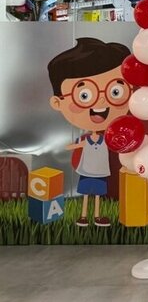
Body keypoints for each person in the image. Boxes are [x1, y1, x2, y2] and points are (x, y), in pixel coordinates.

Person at [47, 38, 132, 227]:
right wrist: (71, 146)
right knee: (86, 193)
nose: (101, 102)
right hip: (87, 171)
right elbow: (74, 146)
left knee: (98, 194)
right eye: (84, 96)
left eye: (115, 91)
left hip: (100, 171)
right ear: (57, 102)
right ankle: (84, 216)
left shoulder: (107, 138)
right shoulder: (86, 138)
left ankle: (97, 215)